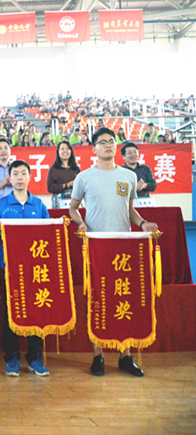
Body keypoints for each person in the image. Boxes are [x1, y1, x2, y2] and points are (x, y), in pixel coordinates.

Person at [69, 127, 159, 377]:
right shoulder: (84, 177)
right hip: (96, 246)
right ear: (94, 148)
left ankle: (125, 355)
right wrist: (80, 223)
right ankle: (98, 355)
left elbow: (130, 210)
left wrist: (143, 223)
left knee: (123, 296)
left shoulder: (128, 176)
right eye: (103, 142)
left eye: (112, 141)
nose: (108, 145)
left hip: (123, 247)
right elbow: (73, 208)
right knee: (98, 298)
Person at [0, 160, 51, 377]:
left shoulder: (39, 205)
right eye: (15, 174)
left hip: (36, 270)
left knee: (37, 312)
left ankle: (34, 358)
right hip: (10, 268)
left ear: (30, 177)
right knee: (10, 315)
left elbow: (48, 235)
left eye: (24, 173)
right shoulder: (1, 205)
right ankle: (12, 357)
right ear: (10, 178)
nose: (20, 177)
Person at [47, 141, 81, 208]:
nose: (65, 151)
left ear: (71, 151)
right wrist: (66, 185)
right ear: (58, 152)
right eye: (62, 149)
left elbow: (81, 186)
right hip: (58, 203)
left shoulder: (76, 169)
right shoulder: (53, 169)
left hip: (74, 203)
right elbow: (50, 187)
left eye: (67, 148)